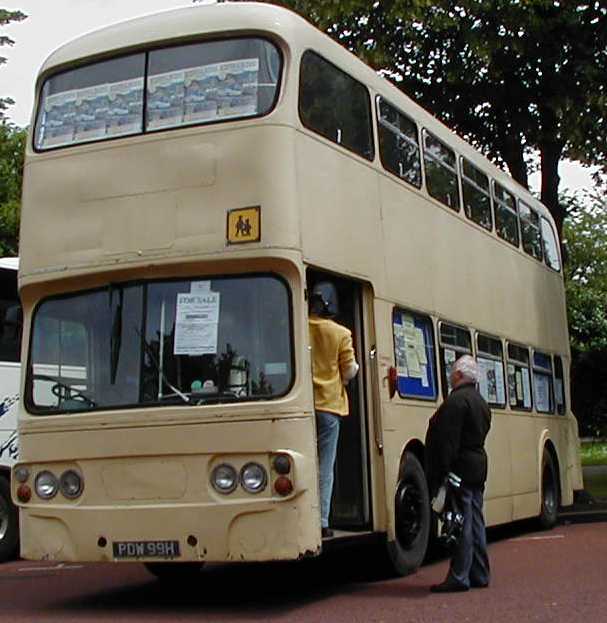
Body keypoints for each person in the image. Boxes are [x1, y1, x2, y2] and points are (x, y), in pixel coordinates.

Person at [425, 354, 492, 592]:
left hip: (459, 470)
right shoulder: (480, 402)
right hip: (478, 467)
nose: (450, 376)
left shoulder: (455, 403)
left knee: (460, 522)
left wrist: (441, 472)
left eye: (453, 372)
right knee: (475, 521)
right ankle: (480, 572)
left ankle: (459, 576)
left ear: (460, 375)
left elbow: (447, 442)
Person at [308, 281, 359, 538]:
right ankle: (322, 520)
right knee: (325, 467)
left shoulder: (298, 326)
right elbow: (349, 370)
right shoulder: (341, 334)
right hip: (329, 406)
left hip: (303, 405)